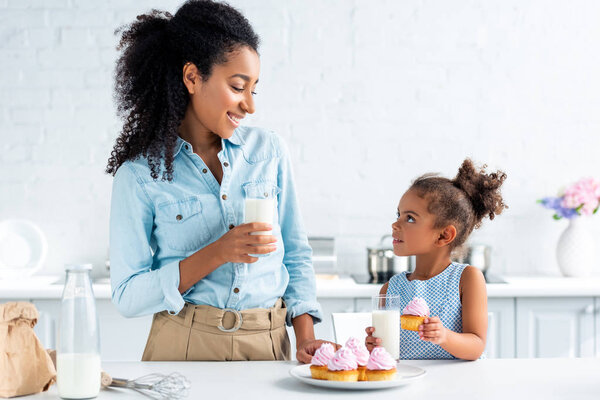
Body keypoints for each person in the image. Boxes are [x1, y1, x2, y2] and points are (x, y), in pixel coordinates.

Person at [106, 0, 331, 363]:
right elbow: (128, 296)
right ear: (192, 77)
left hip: (269, 344)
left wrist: (306, 334)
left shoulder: (268, 151)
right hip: (182, 342)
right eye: (238, 86)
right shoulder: (139, 175)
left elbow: (295, 252)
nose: (250, 105)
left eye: (253, 89)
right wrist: (217, 253)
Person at [365, 159, 507, 360]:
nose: (395, 224)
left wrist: (444, 337)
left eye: (410, 218)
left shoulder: (466, 279)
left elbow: (476, 346)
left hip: (457, 385)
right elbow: (389, 354)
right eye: (399, 214)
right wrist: (375, 347)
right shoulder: (390, 289)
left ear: (443, 236)